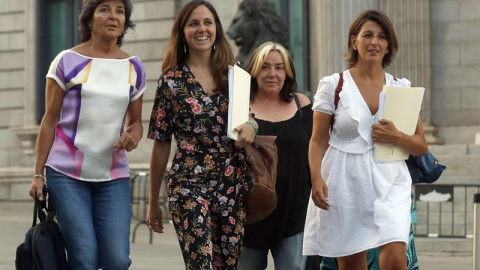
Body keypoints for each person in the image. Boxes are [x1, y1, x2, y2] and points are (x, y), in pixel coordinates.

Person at [303, 9, 428, 270]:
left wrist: (397, 136)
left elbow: (421, 145)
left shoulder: (401, 88)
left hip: (390, 181)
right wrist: (316, 177)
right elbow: (318, 140)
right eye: (367, 35)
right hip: (345, 181)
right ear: (354, 41)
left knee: (396, 259)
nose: (375, 42)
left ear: (388, 45)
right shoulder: (334, 85)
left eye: (382, 37)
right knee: (352, 266)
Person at [28, 0, 146, 269]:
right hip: (66, 174)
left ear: (125, 22)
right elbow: (49, 121)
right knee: (84, 257)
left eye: (120, 11)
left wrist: (133, 135)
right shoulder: (67, 61)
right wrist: (37, 174)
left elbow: (137, 121)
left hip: (113, 175)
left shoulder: (134, 67)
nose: (113, 16)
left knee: (117, 260)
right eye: (104, 9)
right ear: (89, 20)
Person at [146, 1, 256, 269]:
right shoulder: (171, 81)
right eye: (193, 23)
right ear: (182, 31)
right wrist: (153, 202)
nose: (202, 29)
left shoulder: (235, 76)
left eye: (207, 22)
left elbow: (248, 119)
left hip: (231, 183)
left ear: (216, 28)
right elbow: (160, 144)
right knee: (200, 264)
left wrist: (253, 126)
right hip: (188, 184)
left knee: (227, 264)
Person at [238, 42, 313, 270]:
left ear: (287, 72)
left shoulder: (303, 104)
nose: (272, 74)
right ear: (254, 71)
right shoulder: (239, 107)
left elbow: (318, 149)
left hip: (295, 213)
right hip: (250, 214)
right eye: (265, 67)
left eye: (279, 67)